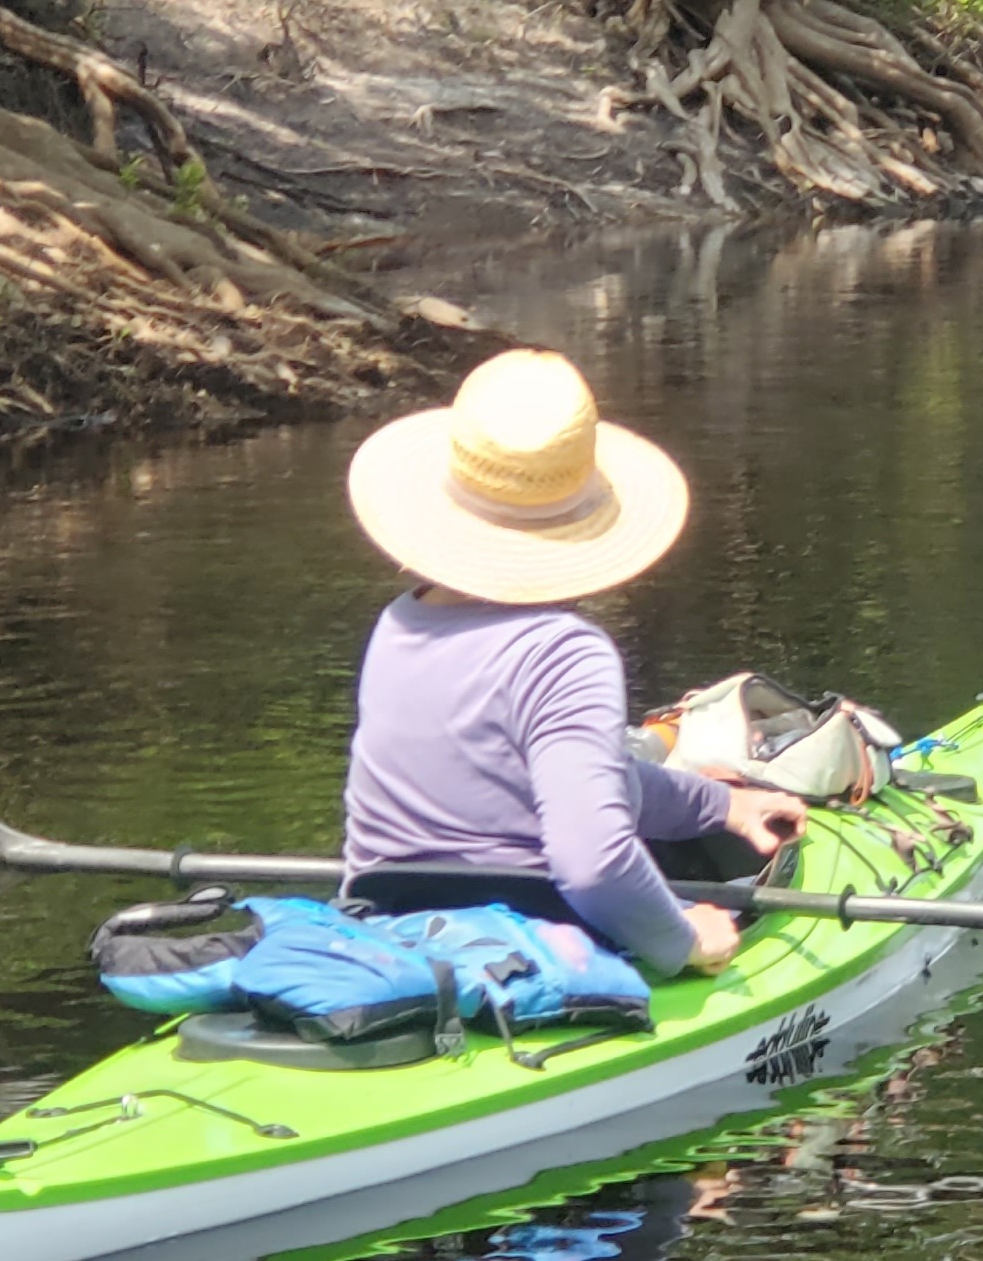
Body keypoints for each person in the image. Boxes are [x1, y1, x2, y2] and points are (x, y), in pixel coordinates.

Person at [340, 349, 802, 974]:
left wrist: (722, 806)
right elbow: (594, 862)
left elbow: (579, 782)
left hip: (389, 932)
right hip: (536, 952)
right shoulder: (564, 653)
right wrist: (686, 939)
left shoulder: (398, 623)